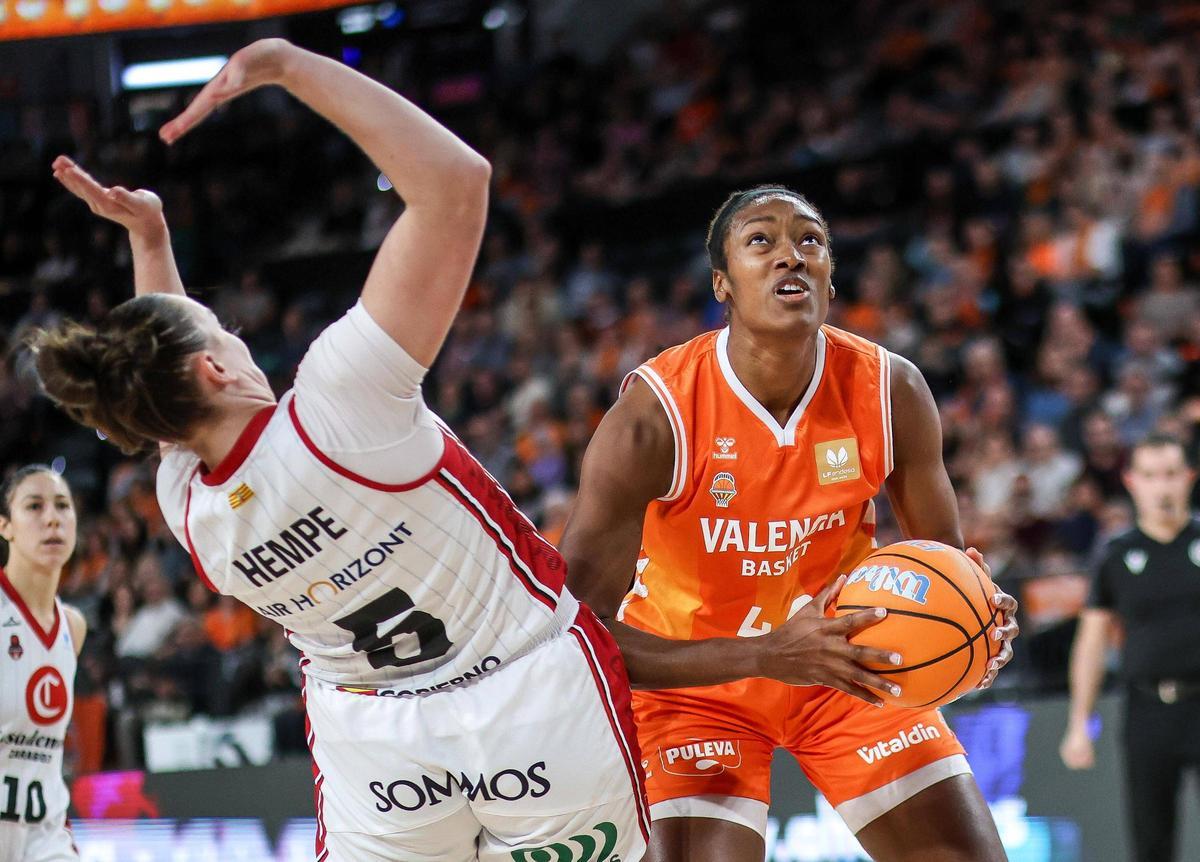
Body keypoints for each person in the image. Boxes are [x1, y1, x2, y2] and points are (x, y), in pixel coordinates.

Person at [34, 40, 646, 862]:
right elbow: (456, 186)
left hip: (376, 739)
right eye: (227, 332)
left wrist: (150, 238)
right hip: (523, 694)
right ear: (216, 367)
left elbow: (161, 378)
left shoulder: (185, 502)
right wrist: (288, 65)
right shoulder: (338, 405)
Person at [559, 186, 1020, 861]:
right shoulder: (655, 419)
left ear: (831, 274)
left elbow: (942, 565)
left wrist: (978, 623)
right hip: (693, 683)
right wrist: (765, 656)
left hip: (845, 662)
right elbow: (577, 632)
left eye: (810, 241)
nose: (790, 257)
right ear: (724, 283)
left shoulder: (891, 391)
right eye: (761, 241)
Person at [1060, 432, 1200, 862]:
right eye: (1152, 475)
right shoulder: (1116, 554)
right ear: (1132, 481)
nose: (1163, 486)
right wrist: (1079, 722)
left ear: (1189, 478)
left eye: (1172, 474)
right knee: (1151, 840)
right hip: (1147, 710)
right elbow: (1091, 642)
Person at [0, 465, 88, 862]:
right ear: (6, 526)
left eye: (63, 506)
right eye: (34, 506)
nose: (52, 517)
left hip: (43, 837)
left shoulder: (73, 626)